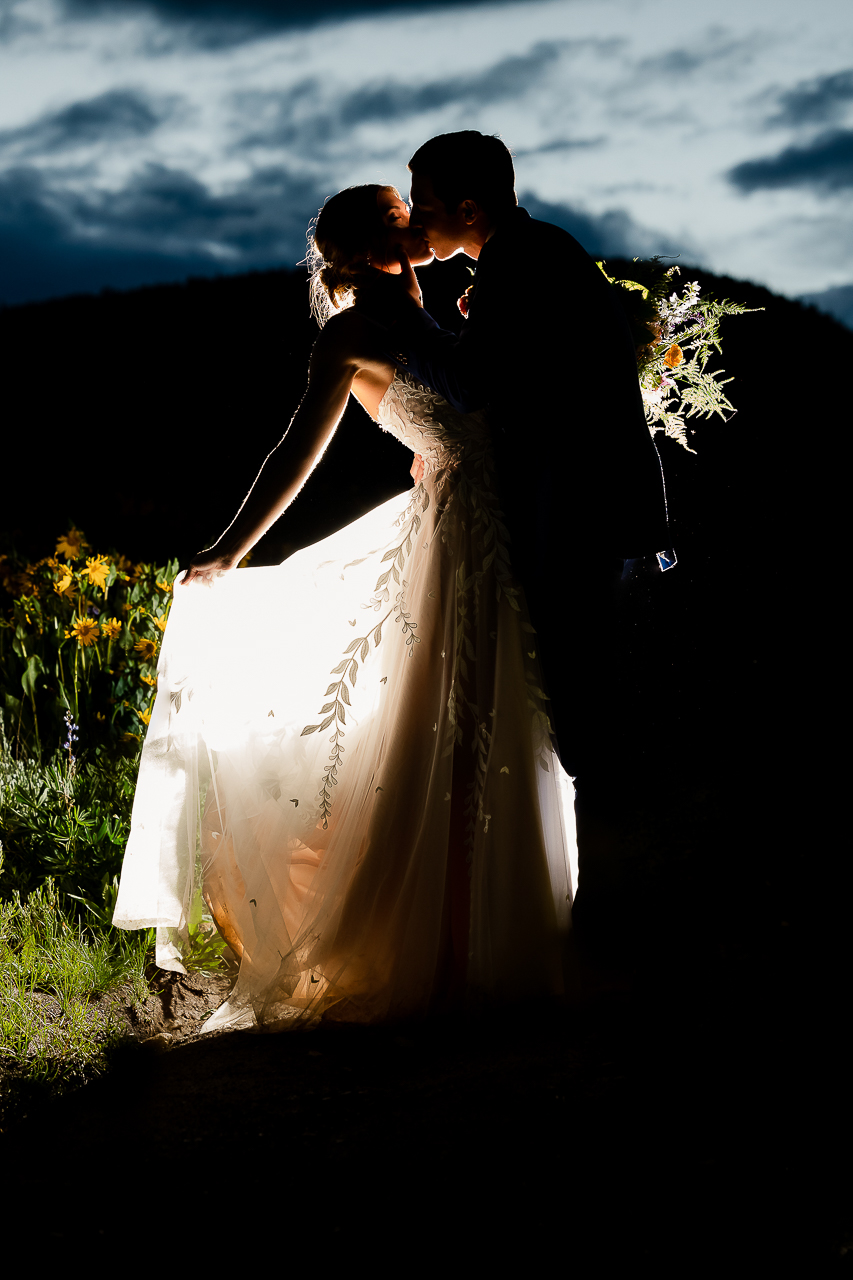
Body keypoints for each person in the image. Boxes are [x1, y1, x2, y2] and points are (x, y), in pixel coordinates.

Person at [112, 182, 580, 1030]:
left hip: (489, 521)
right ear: (374, 250)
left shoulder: (438, 321)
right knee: (457, 723)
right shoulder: (354, 334)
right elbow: (299, 446)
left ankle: (486, 932)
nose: (424, 226)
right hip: (461, 539)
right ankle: (442, 950)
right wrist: (230, 549)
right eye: (407, 218)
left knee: (496, 720)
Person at [381, 129, 672, 894]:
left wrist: (408, 315)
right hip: (581, 508)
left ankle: (610, 909)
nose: (415, 218)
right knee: (581, 706)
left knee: (582, 713)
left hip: (572, 514)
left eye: (425, 203)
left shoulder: (524, 262)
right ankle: (599, 899)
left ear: (469, 210)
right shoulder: (533, 253)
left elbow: (473, 385)